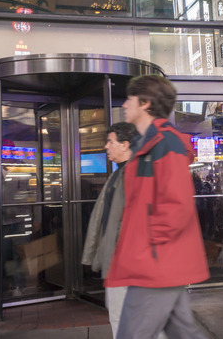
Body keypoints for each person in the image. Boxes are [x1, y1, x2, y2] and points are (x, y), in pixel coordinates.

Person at [105, 75, 209, 339]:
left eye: (130, 98)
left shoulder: (164, 142)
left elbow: (177, 205)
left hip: (155, 262)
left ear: (146, 103)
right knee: (184, 333)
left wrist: (149, 246)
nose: (125, 103)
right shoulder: (149, 143)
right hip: (158, 260)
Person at [82, 122, 154, 339]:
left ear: (125, 145)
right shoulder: (119, 174)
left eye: (110, 142)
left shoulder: (136, 174)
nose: (106, 146)